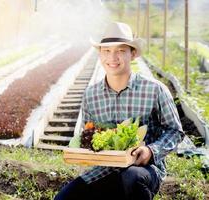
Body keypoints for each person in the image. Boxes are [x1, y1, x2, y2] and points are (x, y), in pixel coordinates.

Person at [54, 22, 185, 200]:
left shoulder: (155, 90)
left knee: (131, 178)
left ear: (132, 54)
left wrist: (151, 151)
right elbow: (89, 136)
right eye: (106, 51)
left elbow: (175, 131)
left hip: (143, 171)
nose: (112, 57)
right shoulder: (91, 95)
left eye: (120, 50)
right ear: (100, 54)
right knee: (63, 198)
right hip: (103, 170)